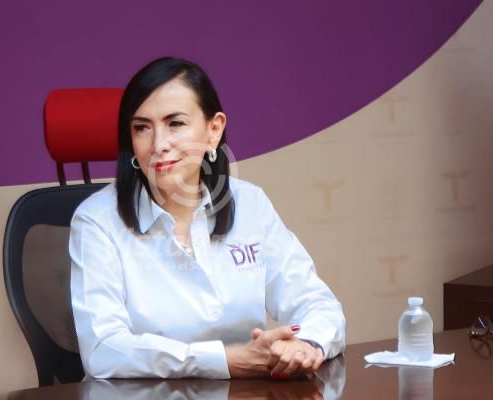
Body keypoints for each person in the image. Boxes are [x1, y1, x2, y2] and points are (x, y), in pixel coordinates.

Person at [69, 57, 345, 380]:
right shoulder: (96, 221)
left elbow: (317, 304)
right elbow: (103, 349)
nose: (159, 145)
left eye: (175, 123)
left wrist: (306, 344)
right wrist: (225, 361)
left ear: (213, 130)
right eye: (142, 128)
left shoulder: (250, 204)